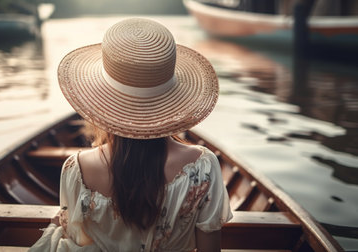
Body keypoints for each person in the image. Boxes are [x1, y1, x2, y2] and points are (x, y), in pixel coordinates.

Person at [29, 18, 232, 252]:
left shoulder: (76, 170)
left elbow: (75, 239)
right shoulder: (203, 166)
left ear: (101, 100)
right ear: (173, 100)